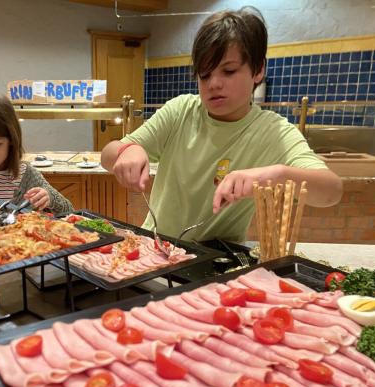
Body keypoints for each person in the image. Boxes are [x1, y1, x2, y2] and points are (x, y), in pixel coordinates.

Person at [101, 7, 342, 243]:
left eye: (228, 71)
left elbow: (331, 192)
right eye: (204, 75)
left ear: (258, 71)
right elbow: (107, 155)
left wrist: (277, 175)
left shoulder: (274, 131)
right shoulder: (181, 110)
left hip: (218, 258)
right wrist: (127, 150)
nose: (214, 84)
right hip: (156, 246)